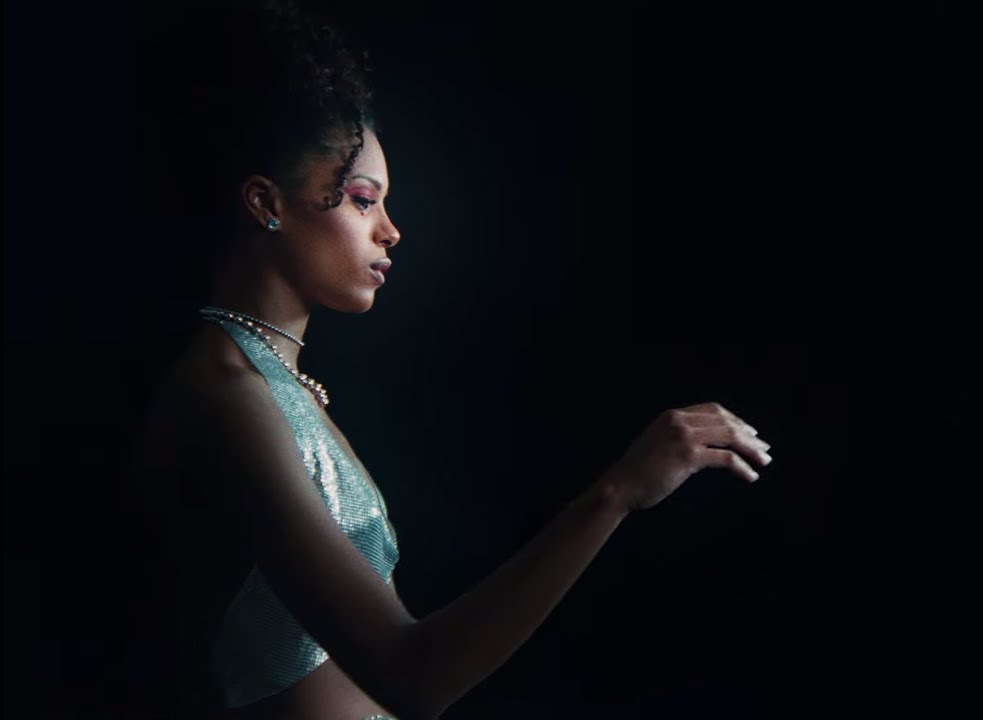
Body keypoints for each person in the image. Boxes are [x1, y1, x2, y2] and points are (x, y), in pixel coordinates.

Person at [131, 2, 774, 718]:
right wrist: (616, 494)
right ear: (265, 202)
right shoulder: (226, 396)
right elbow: (413, 676)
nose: (390, 231)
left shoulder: (278, 388)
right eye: (362, 200)